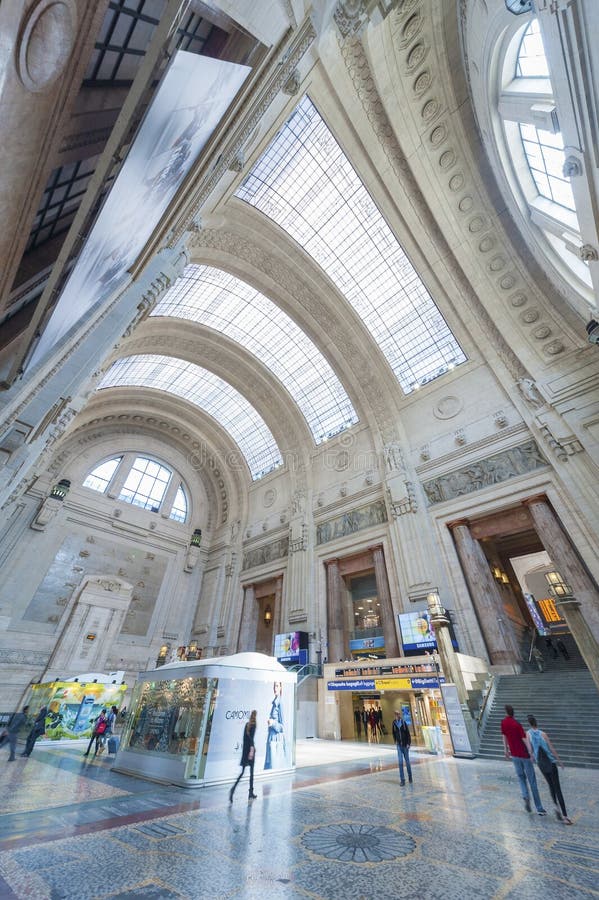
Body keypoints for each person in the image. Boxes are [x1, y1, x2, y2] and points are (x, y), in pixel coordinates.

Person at [501, 705, 546, 815]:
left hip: (514, 755)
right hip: (524, 755)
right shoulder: (517, 724)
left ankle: (525, 796)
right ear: (513, 713)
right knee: (532, 781)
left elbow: (504, 737)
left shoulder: (503, 723)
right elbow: (524, 739)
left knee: (521, 778)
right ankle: (539, 808)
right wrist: (531, 753)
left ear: (506, 712)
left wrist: (506, 750)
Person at [527, 715, 572, 825]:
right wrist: (559, 761)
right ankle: (565, 816)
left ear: (529, 723)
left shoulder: (528, 734)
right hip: (551, 763)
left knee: (550, 786)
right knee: (558, 788)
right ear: (536, 723)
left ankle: (556, 807)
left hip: (541, 764)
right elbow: (551, 748)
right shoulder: (543, 734)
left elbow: (530, 751)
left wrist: (533, 756)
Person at [229, 710, 257, 802]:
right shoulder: (254, 725)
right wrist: (252, 750)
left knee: (242, 772)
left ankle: (233, 789)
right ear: (255, 716)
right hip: (250, 751)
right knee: (251, 773)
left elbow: (245, 739)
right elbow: (251, 739)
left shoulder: (247, 725)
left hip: (245, 751)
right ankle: (250, 793)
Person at [264, 682, 286, 770]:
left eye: (277, 686)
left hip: (276, 740)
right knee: (269, 766)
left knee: (273, 767)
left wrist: (273, 723)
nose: (275, 688)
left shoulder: (280, 703)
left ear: (281, 687)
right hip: (271, 738)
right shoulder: (274, 702)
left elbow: (283, 727)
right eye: (274, 686)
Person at [392, 709, 412, 785]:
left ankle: (410, 776)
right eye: (395, 714)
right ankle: (402, 780)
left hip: (405, 745)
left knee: (407, 762)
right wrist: (395, 740)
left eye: (397, 714)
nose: (396, 715)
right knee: (400, 762)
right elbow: (393, 732)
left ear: (399, 715)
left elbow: (408, 734)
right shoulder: (394, 723)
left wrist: (408, 744)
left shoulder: (403, 723)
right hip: (399, 746)